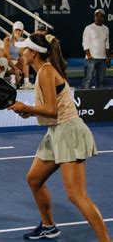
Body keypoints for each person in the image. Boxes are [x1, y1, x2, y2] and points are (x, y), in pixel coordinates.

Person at [8, 33, 110, 242]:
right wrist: (30, 111)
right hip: (56, 131)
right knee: (34, 179)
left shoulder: (45, 72)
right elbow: (49, 109)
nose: (22, 52)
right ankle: (48, 226)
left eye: (25, 49)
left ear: (34, 52)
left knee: (76, 194)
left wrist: (25, 107)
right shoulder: (43, 71)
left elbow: (52, 110)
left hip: (69, 131)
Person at [82, 9, 110, 89]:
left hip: (103, 60)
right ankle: (84, 97)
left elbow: (107, 44)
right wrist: (89, 56)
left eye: (101, 16)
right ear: (94, 17)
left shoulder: (106, 29)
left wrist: (108, 58)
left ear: (104, 18)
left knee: (100, 80)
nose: (99, 18)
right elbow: (85, 43)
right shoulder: (89, 28)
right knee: (88, 80)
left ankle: (99, 99)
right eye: (97, 16)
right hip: (91, 58)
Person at [4, 21, 33, 89]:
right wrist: (15, 68)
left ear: (22, 31)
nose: (18, 32)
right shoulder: (7, 40)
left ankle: (26, 82)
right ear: (13, 30)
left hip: (19, 64)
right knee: (15, 80)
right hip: (9, 64)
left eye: (19, 30)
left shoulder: (24, 41)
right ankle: (14, 79)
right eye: (16, 30)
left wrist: (19, 42)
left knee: (24, 58)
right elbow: (7, 57)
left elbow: (22, 55)